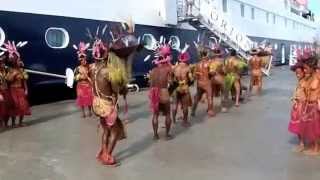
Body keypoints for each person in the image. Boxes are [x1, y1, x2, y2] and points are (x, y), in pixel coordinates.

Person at [148, 44, 173, 140]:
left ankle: (155, 135)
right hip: (164, 93)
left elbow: (150, 84)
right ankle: (167, 135)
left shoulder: (153, 70)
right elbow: (170, 82)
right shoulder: (168, 69)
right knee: (167, 114)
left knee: (155, 115)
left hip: (154, 94)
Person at [4, 41, 31, 128]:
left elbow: (24, 80)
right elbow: (8, 80)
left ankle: (20, 122)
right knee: (14, 106)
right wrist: (13, 75)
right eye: (18, 60)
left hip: (20, 90)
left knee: (23, 106)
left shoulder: (22, 70)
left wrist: (26, 89)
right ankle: (12, 123)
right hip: (12, 90)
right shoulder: (11, 71)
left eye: (19, 60)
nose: (20, 61)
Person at [299, 53, 320, 155]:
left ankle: (316, 148)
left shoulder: (318, 77)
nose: (305, 70)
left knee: (315, 126)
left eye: (306, 68)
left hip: (316, 105)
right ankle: (312, 145)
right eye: (304, 68)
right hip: (308, 105)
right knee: (310, 126)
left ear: (312, 68)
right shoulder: (309, 77)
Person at [288, 62, 307, 152]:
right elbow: (297, 92)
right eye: (296, 73)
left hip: (302, 106)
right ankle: (301, 143)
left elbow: (307, 95)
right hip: (297, 106)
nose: (297, 75)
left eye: (299, 73)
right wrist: (294, 98)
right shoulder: (300, 81)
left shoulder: (305, 83)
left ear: (304, 72)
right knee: (298, 125)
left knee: (301, 125)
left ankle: (302, 143)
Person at [191, 47, 215, 117]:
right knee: (210, 97)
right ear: (206, 55)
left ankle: (193, 111)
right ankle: (210, 110)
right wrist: (214, 73)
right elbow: (211, 73)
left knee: (197, 97)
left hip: (200, 83)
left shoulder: (198, 64)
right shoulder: (209, 63)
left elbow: (195, 75)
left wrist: (199, 75)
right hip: (207, 82)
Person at [172, 51, 193, 127]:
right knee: (185, 106)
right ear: (186, 59)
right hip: (184, 87)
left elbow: (172, 79)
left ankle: (173, 120)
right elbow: (191, 79)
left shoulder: (175, 68)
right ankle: (185, 121)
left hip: (176, 87)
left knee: (174, 105)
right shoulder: (187, 68)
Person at [74, 42, 93, 118]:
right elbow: (74, 77)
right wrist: (80, 77)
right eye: (82, 60)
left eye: (85, 59)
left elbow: (92, 75)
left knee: (89, 99)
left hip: (88, 85)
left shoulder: (89, 67)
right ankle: (83, 112)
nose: (84, 61)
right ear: (80, 61)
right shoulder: (77, 68)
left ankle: (89, 111)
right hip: (80, 86)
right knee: (81, 100)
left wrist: (89, 78)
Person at [208, 47, 227, 112]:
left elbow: (209, 71)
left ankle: (210, 108)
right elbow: (224, 71)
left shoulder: (211, 61)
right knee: (223, 93)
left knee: (211, 94)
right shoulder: (222, 61)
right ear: (220, 53)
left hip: (212, 79)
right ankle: (223, 107)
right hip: (220, 78)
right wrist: (225, 73)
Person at [0, 53, 10, 128]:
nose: (3, 65)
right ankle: (1, 124)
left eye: (3, 63)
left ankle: (5, 124)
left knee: (7, 109)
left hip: (7, 91)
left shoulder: (6, 71)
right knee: (1, 109)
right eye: (1, 63)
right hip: (1, 91)